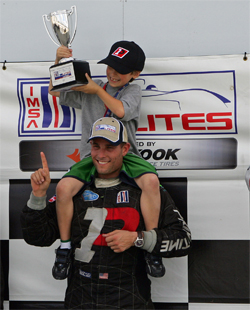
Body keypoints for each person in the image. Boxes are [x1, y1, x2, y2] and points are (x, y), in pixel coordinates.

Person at [21, 117, 191, 310]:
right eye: (96, 146)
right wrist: (38, 195)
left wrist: (138, 238)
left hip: (131, 300)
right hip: (80, 300)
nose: (101, 154)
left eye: (109, 147)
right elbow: (37, 237)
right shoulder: (73, 189)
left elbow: (182, 240)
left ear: (125, 149)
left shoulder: (147, 189)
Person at [49, 41, 163, 279]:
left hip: (126, 156)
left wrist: (97, 91)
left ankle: (152, 245)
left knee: (151, 181)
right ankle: (65, 246)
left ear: (135, 74)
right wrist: (59, 63)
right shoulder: (94, 85)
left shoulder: (132, 90)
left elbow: (121, 111)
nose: (112, 73)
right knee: (63, 188)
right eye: (110, 66)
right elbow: (55, 91)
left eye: (120, 70)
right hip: (91, 156)